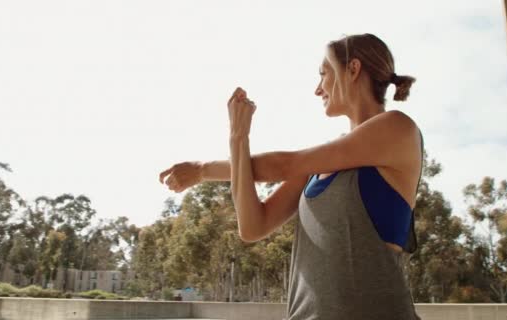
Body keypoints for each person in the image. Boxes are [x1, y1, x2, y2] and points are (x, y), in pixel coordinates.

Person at [159, 33, 423, 320]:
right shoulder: (320, 165)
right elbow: (252, 226)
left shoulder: (397, 128)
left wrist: (203, 169)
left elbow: (285, 164)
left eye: (324, 74)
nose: (317, 89)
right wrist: (237, 139)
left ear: (353, 69)